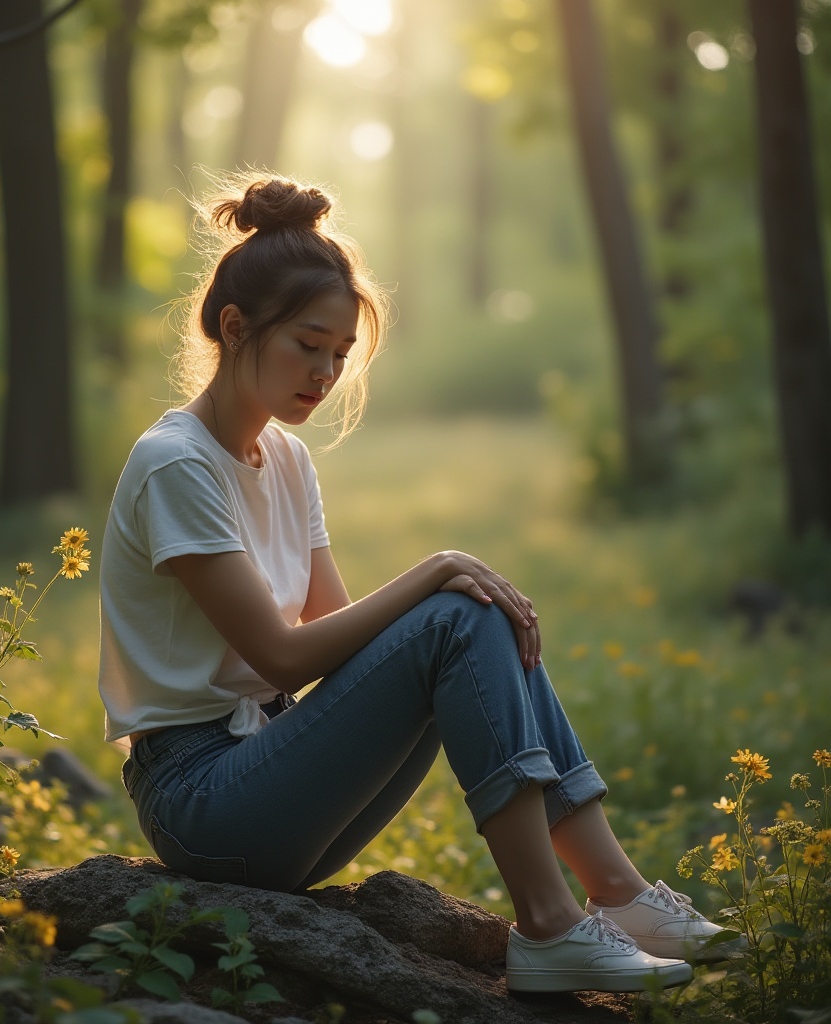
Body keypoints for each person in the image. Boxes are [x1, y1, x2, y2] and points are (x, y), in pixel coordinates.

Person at [98, 175, 737, 994]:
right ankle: (549, 926)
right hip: (202, 800)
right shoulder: (175, 463)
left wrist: (457, 598)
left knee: (463, 619)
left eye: (339, 354)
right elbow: (284, 656)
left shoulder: (286, 460)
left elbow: (345, 636)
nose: (325, 372)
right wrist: (438, 568)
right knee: (451, 612)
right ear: (234, 325)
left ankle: (619, 893)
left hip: (275, 775)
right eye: (308, 344)